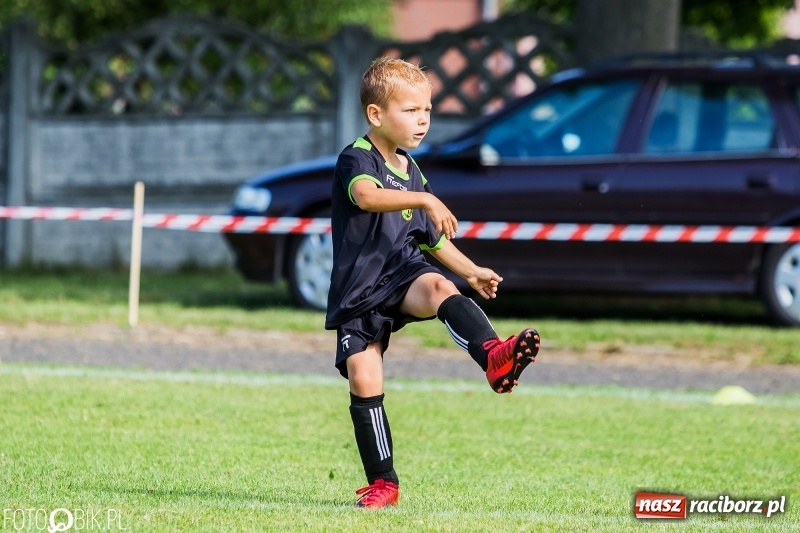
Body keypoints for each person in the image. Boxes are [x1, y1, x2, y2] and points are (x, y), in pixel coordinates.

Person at [325, 57, 540, 509]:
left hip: (403, 274)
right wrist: (425, 196)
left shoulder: (411, 168)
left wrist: (471, 270)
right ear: (376, 115)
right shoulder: (356, 158)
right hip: (360, 290)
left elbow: (432, 240)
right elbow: (366, 196)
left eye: (427, 110)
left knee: (442, 288)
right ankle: (384, 483)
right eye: (410, 110)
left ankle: (494, 357)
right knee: (365, 379)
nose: (422, 119)